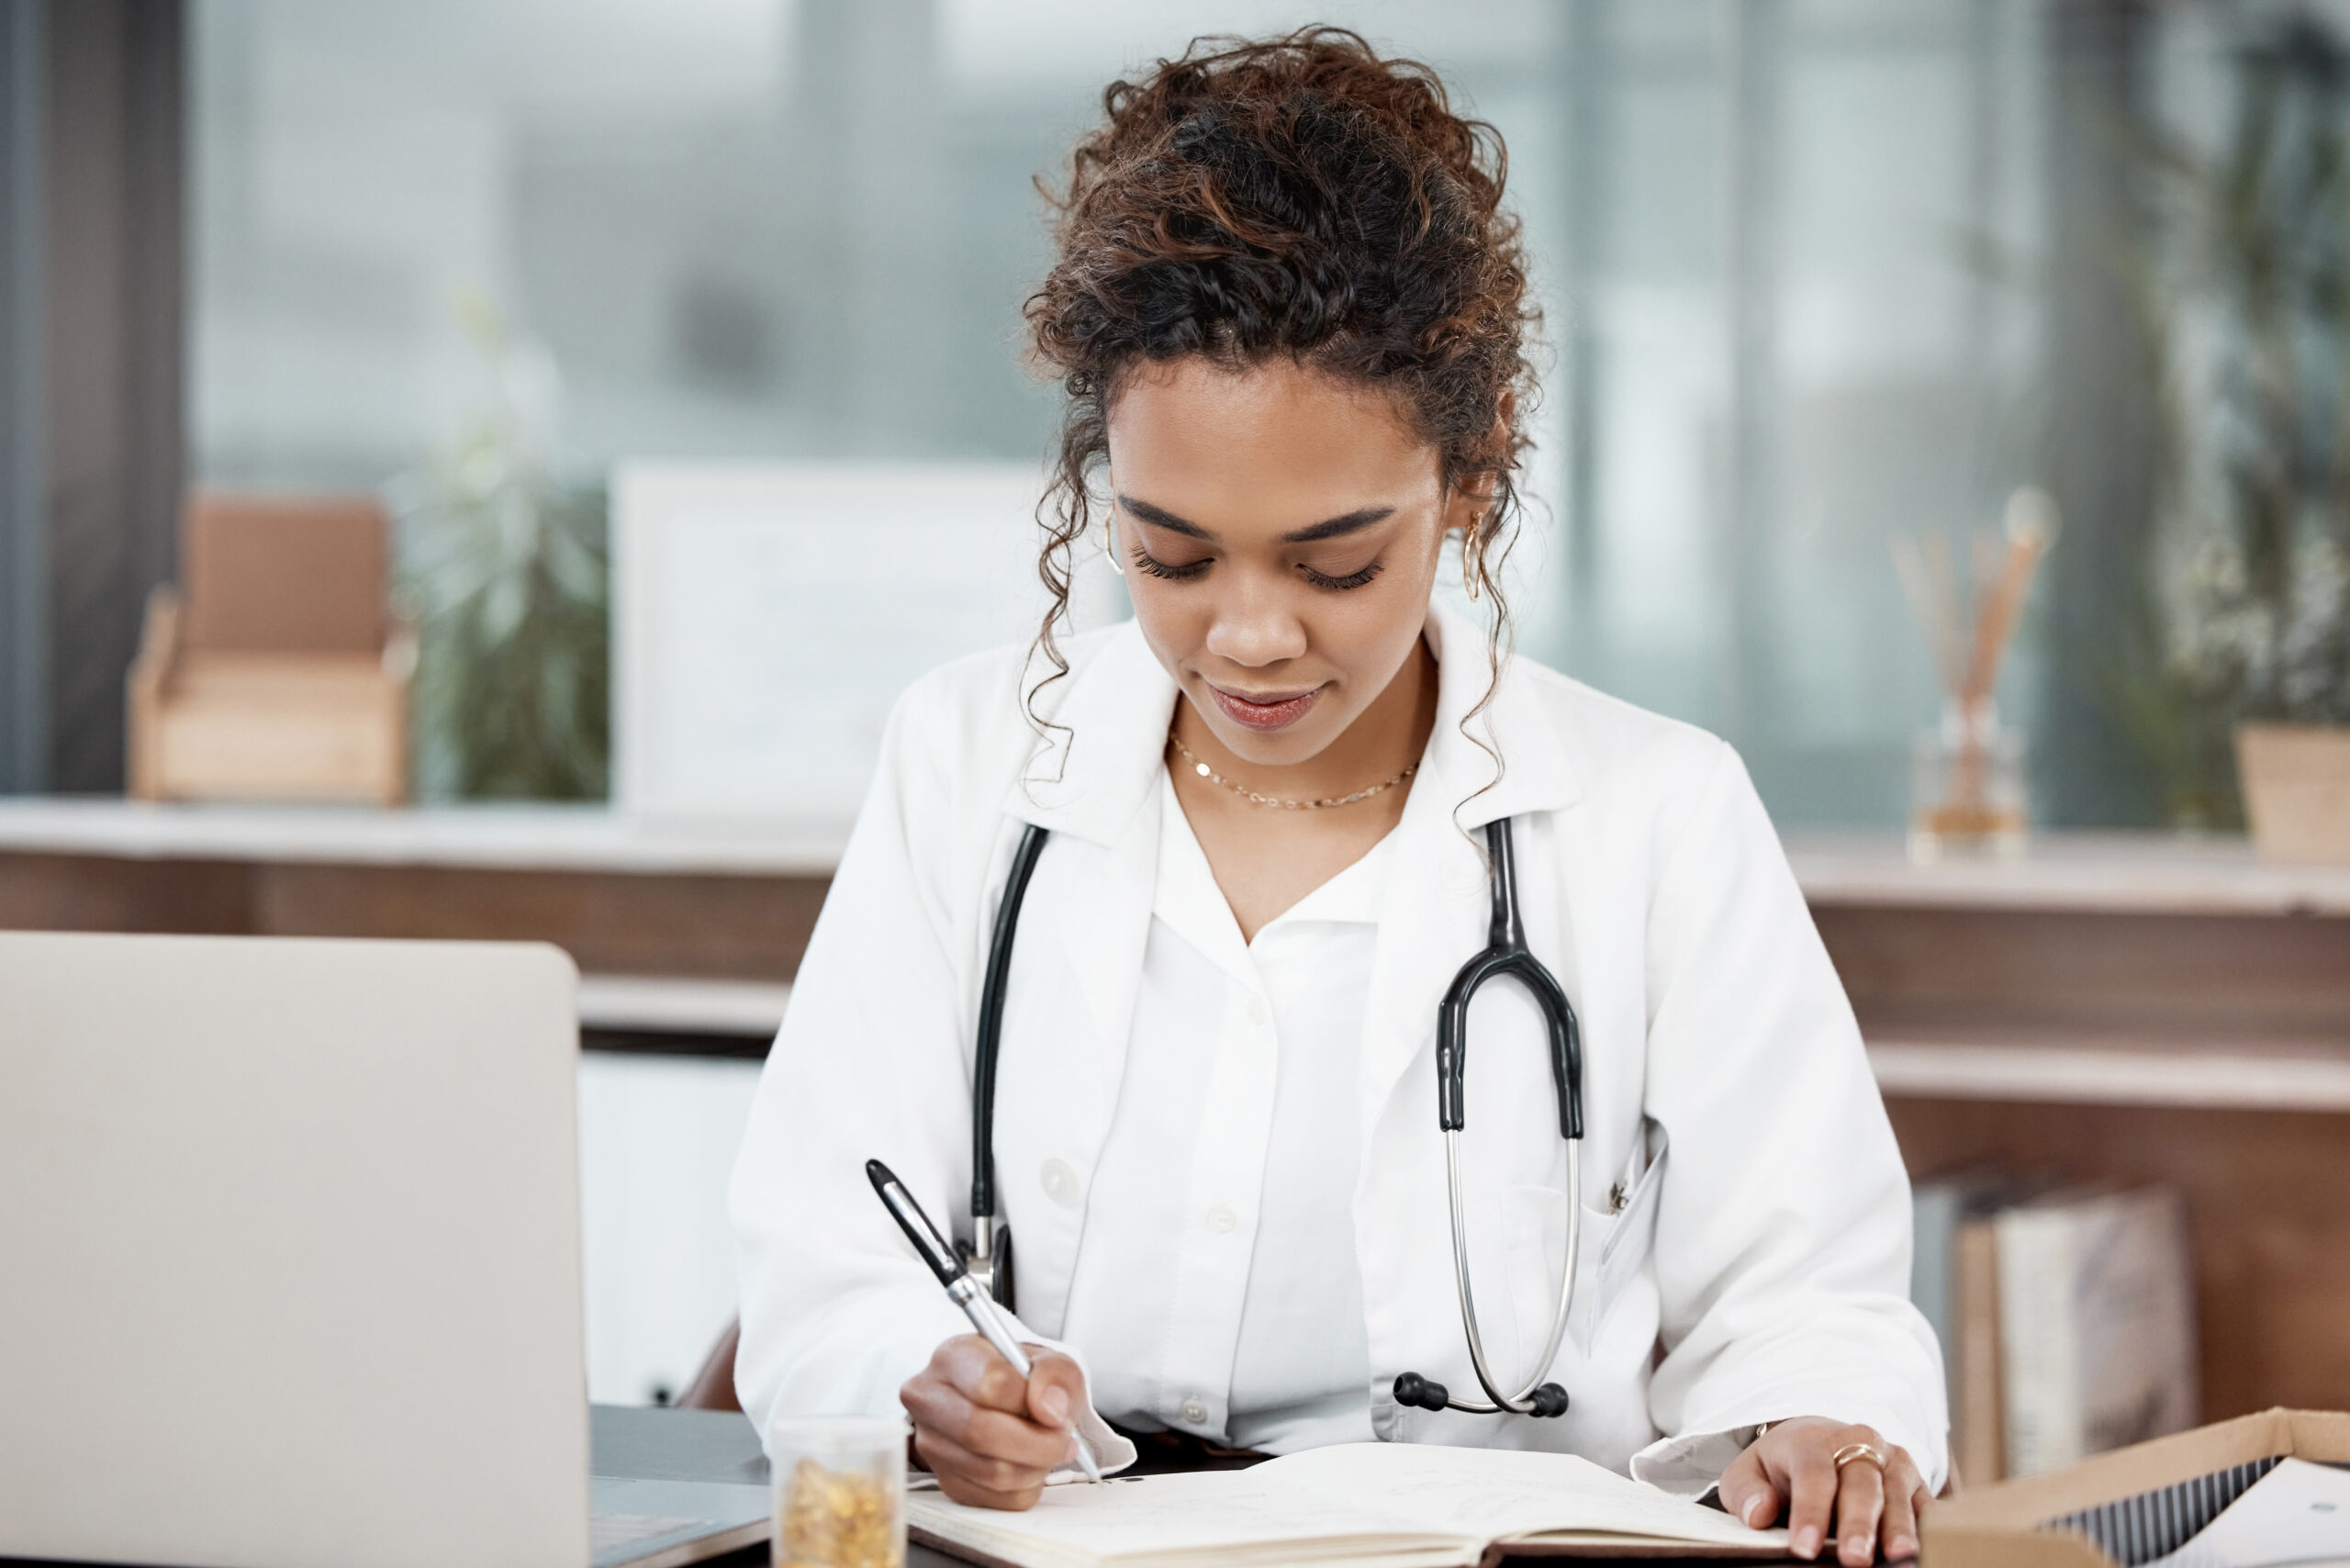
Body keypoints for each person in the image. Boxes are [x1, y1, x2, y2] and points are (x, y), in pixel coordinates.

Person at [732, 28, 1946, 1566]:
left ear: (1475, 479)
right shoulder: (969, 763)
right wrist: (918, 1381)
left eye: (1335, 561)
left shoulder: (1659, 816)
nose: (1247, 635)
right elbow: (823, 1251)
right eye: (1170, 554)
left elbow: (1811, 1292)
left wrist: (1820, 1417)